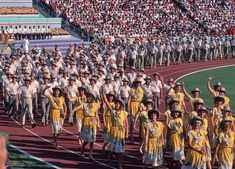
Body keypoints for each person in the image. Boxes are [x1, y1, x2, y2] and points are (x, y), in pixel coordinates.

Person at [71, 91, 100, 160]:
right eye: (87, 97)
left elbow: (96, 115)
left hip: (92, 123)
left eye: (89, 97)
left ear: (92, 98)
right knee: (87, 139)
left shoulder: (95, 105)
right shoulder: (84, 104)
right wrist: (72, 112)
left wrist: (98, 122)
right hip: (85, 122)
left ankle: (90, 155)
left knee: (92, 139)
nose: (88, 98)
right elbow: (76, 108)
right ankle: (83, 148)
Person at [128, 78, 144, 144]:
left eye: (139, 83)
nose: (137, 84)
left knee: (141, 122)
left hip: (138, 105)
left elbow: (141, 99)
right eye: (136, 83)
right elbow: (129, 100)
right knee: (132, 123)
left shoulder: (141, 90)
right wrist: (128, 109)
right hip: (132, 105)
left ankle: (140, 137)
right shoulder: (131, 90)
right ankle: (131, 137)